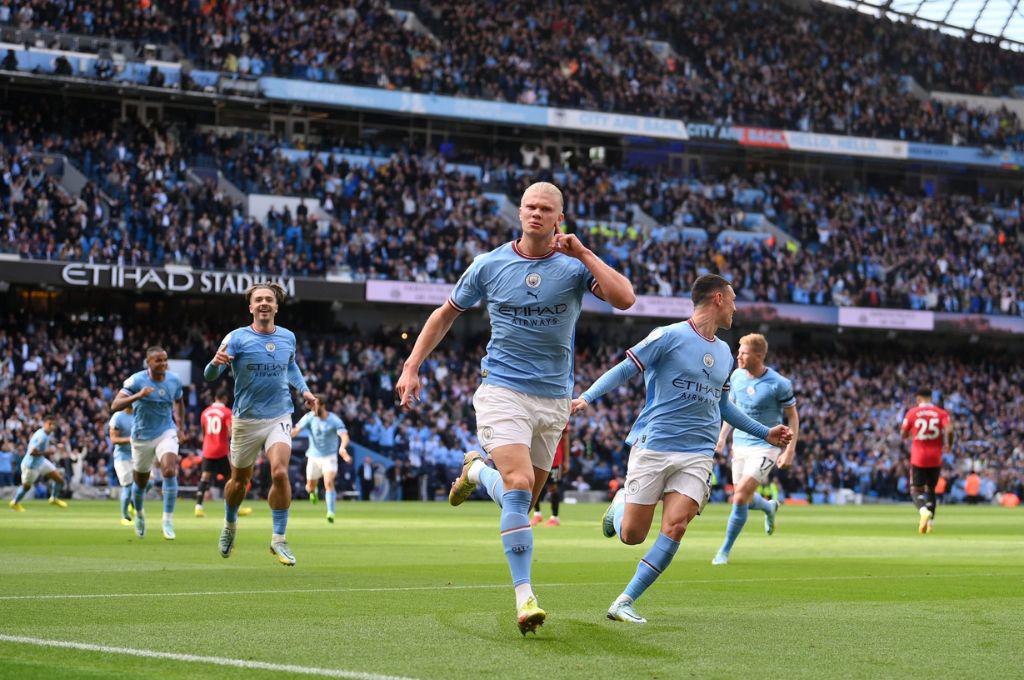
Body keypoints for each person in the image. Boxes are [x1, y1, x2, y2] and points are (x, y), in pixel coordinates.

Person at [397, 181, 635, 635]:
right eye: (529, 207)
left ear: (559, 218)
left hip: (554, 400)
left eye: (546, 209)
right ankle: (525, 597)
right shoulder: (488, 265)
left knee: (521, 502)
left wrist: (585, 254)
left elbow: (625, 298)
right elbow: (445, 313)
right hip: (502, 389)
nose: (536, 214)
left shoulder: (572, 268)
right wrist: (412, 366)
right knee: (520, 484)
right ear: (519, 213)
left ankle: (474, 473)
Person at [571, 275, 792, 625]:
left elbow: (722, 407)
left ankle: (624, 601)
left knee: (675, 526)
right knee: (632, 536)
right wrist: (586, 398)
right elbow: (625, 369)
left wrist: (766, 432)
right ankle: (620, 505)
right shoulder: (668, 336)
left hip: (698, 453)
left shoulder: (723, 352)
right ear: (718, 299)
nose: (736, 307)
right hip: (655, 445)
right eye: (732, 300)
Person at [204, 282, 315, 566]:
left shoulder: (287, 337)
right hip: (246, 419)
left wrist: (304, 390)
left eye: (269, 299)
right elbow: (209, 375)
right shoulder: (236, 338)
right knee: (239, 482)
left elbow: (291, 366)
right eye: (259, 300)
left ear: (276, 306)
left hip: (279, 415)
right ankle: (229, 524)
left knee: (280, 472)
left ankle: (278, 538)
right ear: (251, 307)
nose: (264, 303)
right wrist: (216, 363)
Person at [711, 333, 799, 565]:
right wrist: (722, 437)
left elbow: (793, 417)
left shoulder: (779, 384)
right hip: (739, 445)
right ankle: (769, 507)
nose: (738, 355)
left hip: (766, 447)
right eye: (738, 350)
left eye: (744, 352)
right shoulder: (737, 377)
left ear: (759, 356)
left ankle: (724, 551)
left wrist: (789, 450)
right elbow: (733, 411)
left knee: (739, 497)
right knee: (746, 499)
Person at [110, 347, 184, 540]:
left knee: (169, 470)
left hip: (166, 431)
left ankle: (167, 520)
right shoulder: (136, 381)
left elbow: (180, 401)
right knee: (141, 482)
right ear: (148, 362)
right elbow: (115, 405)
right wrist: (138, 396)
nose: (163, 364)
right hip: (142, 436)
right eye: (158, 360)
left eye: (165, 360)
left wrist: (180, 426)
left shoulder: (174, 380)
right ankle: (140, 515)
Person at [900, 389, 953, 533]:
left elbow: (903, 434)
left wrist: (910, 434)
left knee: (916, 489)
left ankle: (923, 511)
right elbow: (949, 430)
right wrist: (949, 444)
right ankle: (930, 524)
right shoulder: (941, 413)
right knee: (931, 489)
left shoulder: (912, 413)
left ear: (918, 399)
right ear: (931, 398)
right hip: (936, 457)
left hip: (919, 457)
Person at [292, 395, 351, 523]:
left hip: (329, 457)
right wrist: (285, 437)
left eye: (315, 405)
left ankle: (330, 512)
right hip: (313, 457)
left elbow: (344, 435)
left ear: (323, 405)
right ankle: (313, 491)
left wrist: (342, 448)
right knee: (309, 487)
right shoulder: (309, 417)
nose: (312, 408)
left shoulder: (334, 420)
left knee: (329, 482)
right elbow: (296, 430)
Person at [196, 390, 252, 518]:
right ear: (225, 398)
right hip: (221, 450)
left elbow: (204, 433)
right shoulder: (226, 412)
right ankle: (235, 507)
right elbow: (231, 431)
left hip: (208, 449)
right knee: (232, 479)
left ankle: (198, 507)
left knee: (205, 478)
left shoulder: (205, 412)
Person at [8, 416, 69, 511]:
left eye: (53, 424)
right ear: (45, 423)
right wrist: (47, 453)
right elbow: (31, 452)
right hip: (31, 466)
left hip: (41, 461)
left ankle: (53, 498)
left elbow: (48, 441)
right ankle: (14, 502)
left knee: (59, 479)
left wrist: (57, 445)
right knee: (26, 487)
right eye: (50, 424)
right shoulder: (40, 436)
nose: (52, 426)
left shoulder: (48, 433)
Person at [531, 426, 569, 526]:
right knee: (534, 486)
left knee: (553, 488)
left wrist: (566, 460)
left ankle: (555, 517)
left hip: (555, 459)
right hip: (537, 457)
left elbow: (565, 439)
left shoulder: (561, 413)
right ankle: (537, 514)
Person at [108, 405, 135, 525]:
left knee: (148, 483)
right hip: (122, 457)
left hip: (137, 455)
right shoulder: (118, 417)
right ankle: (125, 516)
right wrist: (130, 439)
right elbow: (113, 439)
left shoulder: (138, 415)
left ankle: (132, 502)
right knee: (128, 486)